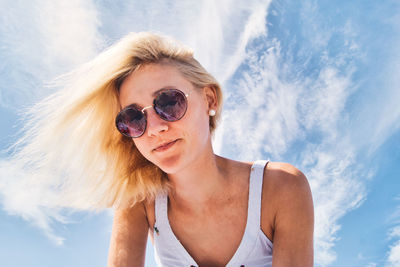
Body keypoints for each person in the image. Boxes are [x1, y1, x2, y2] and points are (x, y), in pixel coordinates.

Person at [14, 32, 313, 266]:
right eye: (132, 118)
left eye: (169, 102)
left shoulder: (281, 188)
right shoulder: (138, 201)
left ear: (209, 99)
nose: (155, 128)